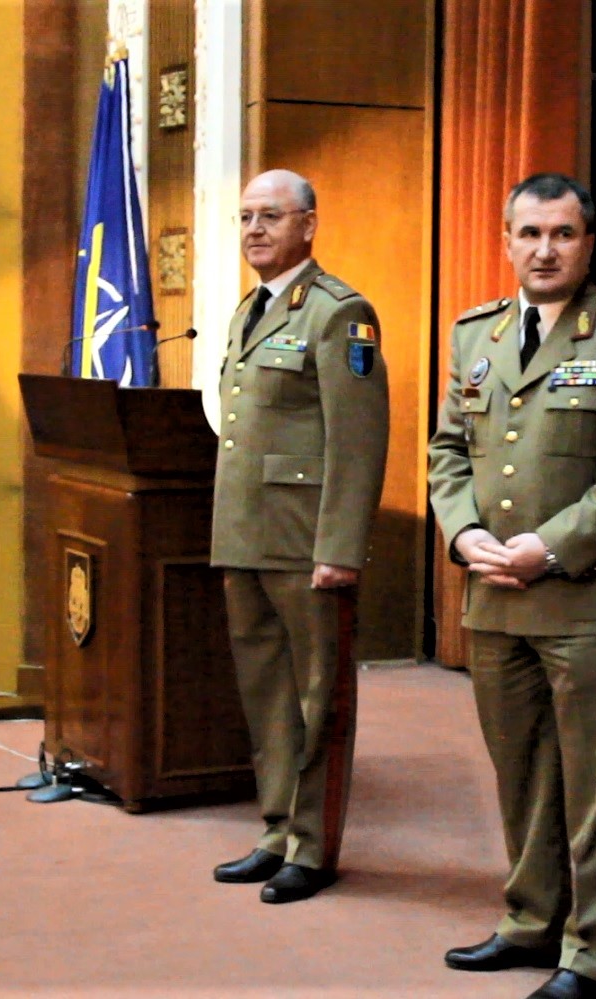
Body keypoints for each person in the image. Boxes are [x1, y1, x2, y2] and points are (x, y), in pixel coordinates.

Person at [427, 173, 596, 999]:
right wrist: (462, 532)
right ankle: (532, 917)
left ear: (589, 244)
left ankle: (592, 953)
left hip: (590, 599)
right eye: (530, 233)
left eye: (563, 234)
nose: (545, 250)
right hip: (495, 594)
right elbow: (447, 450)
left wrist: (552, 546)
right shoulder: (476, 333)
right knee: (521, 772)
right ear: (506, 241)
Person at [210, 169, 389, 904]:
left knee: (320, 700)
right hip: (246, 535)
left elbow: (358, 440)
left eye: (271, 216)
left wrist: (340, 548)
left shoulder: (339, 313)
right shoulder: (248, 310)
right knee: (267, 695)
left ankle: (313, 847)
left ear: (308, 225)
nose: (254, 229)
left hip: (306, 540)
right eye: (246, 217)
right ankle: (278, 829)